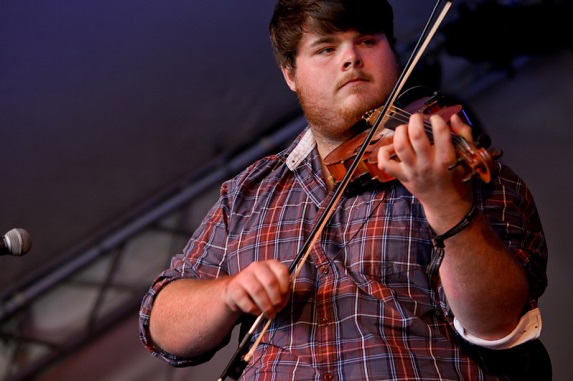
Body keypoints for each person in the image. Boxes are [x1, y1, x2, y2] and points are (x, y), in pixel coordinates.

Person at [139, 0, 549, 380]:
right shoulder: (248, 193)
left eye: (367, 41)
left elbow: (499, 324)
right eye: (326, 48)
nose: (351, 57)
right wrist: (227, 292)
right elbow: (162, 326)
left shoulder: (460, 172)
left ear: (393, 52)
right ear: (290, 74)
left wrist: (446, 202)